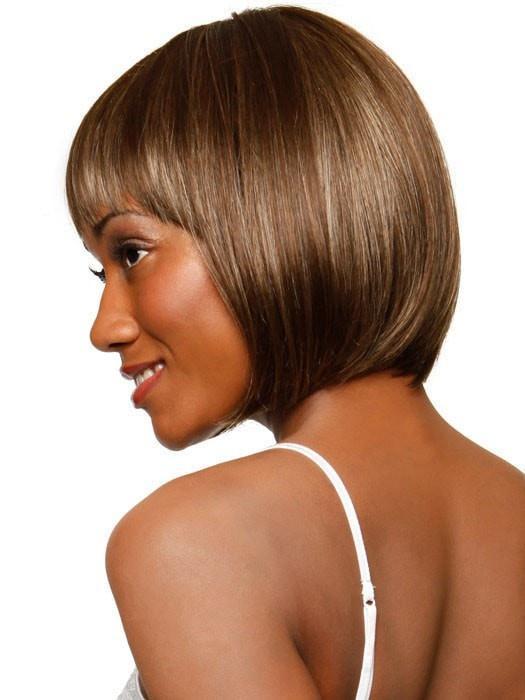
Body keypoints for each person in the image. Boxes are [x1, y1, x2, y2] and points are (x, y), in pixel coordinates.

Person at [66, 6, 525, 699]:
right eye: (100, 272)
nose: (104, 327)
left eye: (131, 253)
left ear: (271, 215)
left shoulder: (196, 543)